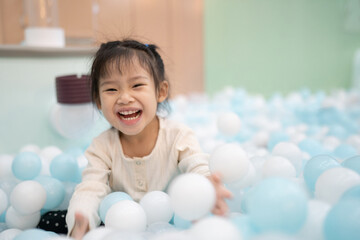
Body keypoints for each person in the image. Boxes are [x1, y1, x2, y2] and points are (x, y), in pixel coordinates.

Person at [66, 39, 232, 239]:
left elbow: (197, 164)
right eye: (111, 89)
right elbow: (90, 189)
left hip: (173, 223)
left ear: (160, 92)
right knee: (50, 220)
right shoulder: (102, 147)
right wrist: (80, 220)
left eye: (136, 85)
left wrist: (207, 186)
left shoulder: (178, 136)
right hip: (122, 227)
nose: (125, 97)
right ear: (99, 101)